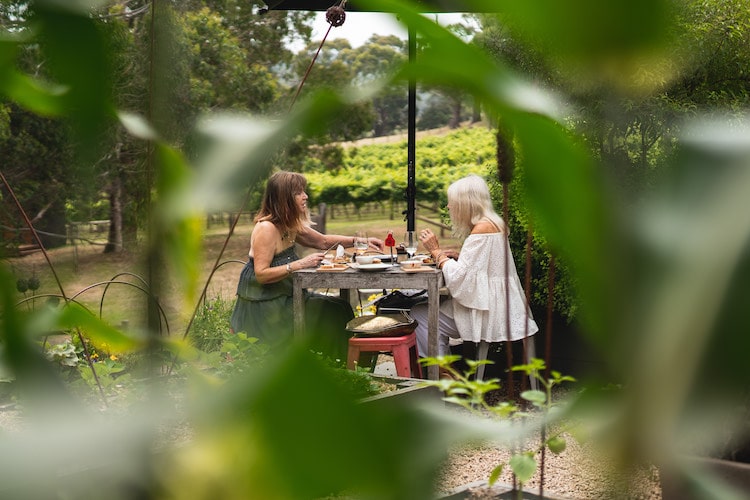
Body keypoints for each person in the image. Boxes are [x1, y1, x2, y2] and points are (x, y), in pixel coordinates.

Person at [230, 171, 384, 360]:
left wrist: (359, 241)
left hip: (287, 296)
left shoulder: (288, 224)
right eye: (299, 193)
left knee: (341, 306)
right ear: (284, 198)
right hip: (267, 306)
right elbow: (261, 274)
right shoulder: (266, 228)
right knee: (332, 312)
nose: (306, 196)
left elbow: (323, 241)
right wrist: (299, 264)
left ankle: (349, 364)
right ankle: (342, 364)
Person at [410, 174, 538, 362]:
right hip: (503, 306)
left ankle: (442, 370)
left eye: (452, 202)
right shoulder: (494, 223)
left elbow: (461, 280)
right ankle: (444, 369)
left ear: (465, 203)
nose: (449, 206)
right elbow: (487, 266)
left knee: (420, 313)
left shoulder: (481, 230)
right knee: (429, 308)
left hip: (485, 313)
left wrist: (436, 252)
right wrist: (459, 256)